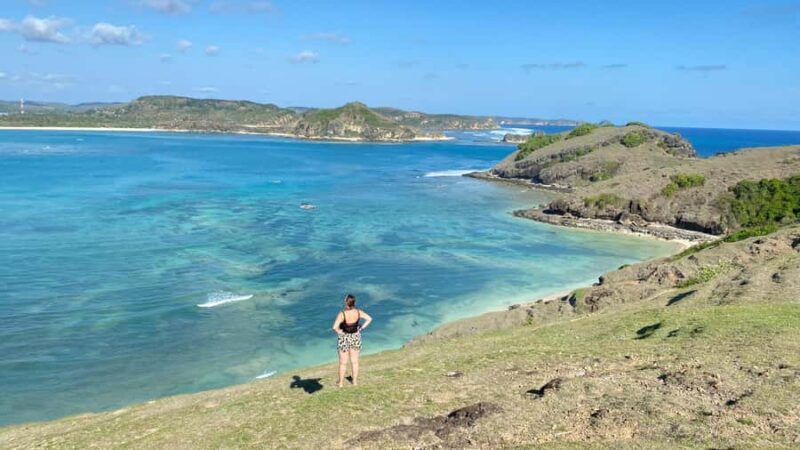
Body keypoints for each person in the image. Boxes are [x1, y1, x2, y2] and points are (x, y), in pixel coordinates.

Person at [331, 293, 372, 387]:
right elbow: (369, 319)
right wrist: (361, 328)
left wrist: (340, 333)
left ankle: (340, 383)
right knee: (355, 361)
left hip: (344, 338)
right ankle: (354, 382)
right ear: (354, 302)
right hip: (355, 337)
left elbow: (334, 327)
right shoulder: (358, 312)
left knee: (343, 362)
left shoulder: (342, 314)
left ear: (346, 302)